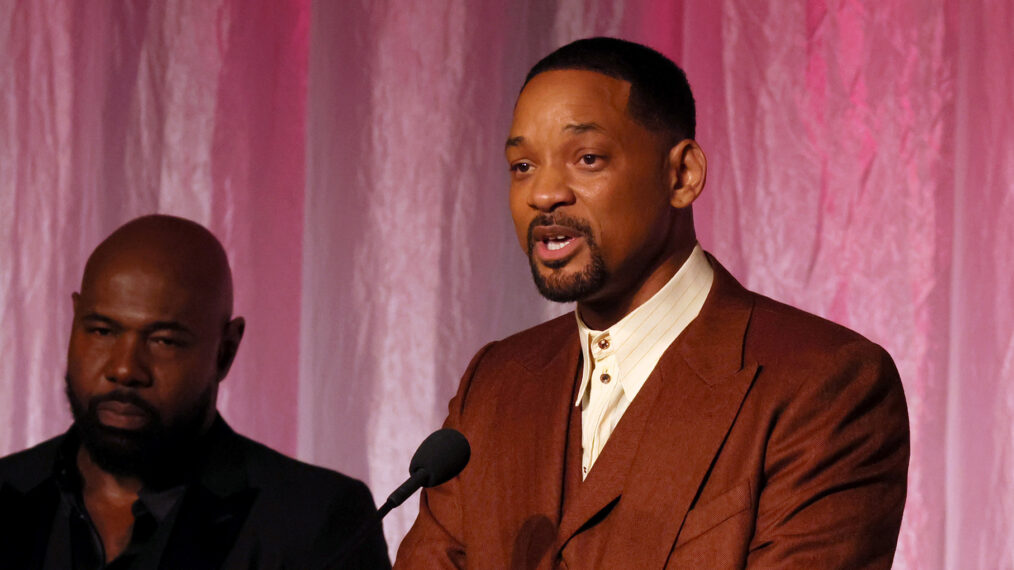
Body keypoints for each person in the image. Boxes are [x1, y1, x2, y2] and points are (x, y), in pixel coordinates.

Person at [395, 37, 909, 568]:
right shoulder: (495, 384)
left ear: (682, 175)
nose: (543, 193)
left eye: (587, 158)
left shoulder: (825, 383)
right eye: (522, 166)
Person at [0, 215, 390, 569]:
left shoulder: (315, 521)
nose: (124, 369)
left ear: (226, 350)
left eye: (164, 341)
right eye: (102, 331)